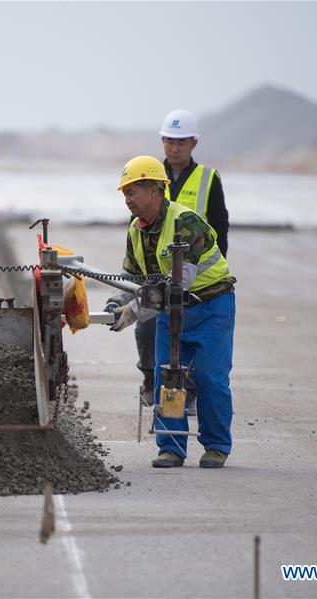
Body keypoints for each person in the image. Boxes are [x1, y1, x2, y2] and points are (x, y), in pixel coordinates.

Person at [106, 155, 236, 469]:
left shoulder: (185, 222)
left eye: (132, 191)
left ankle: (216, 446)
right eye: (125, 193)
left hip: (210, 306)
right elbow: (133, 278)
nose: (127, 199)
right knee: (166, 375)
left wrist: (134, 310)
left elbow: (180, 284)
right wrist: (115, 302)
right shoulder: (136, 231)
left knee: (209, 377)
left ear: (155, 190)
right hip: (170, 312)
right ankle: (171, 447)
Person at [131, 109, 230, 409]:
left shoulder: (207, 178)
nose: (175, 147)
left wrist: (204, 275)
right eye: (170, 141)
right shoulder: (149, 177)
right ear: (162, 141)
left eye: (182, 142)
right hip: (161, 274)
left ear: (193, 143)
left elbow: (220, 229)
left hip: (197, 277)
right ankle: (152, 380)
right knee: (147, 327)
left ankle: (190, 387)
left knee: (194, 340)